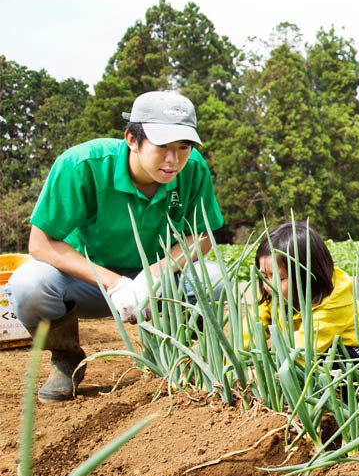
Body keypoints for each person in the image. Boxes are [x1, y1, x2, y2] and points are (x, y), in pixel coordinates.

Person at [8, 91, 224, 402]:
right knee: (29, 284)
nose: (173, 160)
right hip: (88, 281)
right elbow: (41, 244)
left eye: (184, 147)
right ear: (132, 139)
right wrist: (116, 283)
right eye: (162, 147)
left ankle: (176, 356)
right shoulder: (82, 165)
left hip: (159, 285)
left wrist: (154, 273)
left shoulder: (193, 170)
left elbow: (202, 236)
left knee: (213, 279)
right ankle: (67, 359)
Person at [252, 221, 359, 362]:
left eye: (280, 278)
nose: (269, 285)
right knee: (276, 353)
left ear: (307, 274)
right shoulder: (274, 293)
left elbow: (302, 351)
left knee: (331, 356)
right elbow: (251, 329)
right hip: (316, 349)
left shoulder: (334, 303)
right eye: (264, 276)